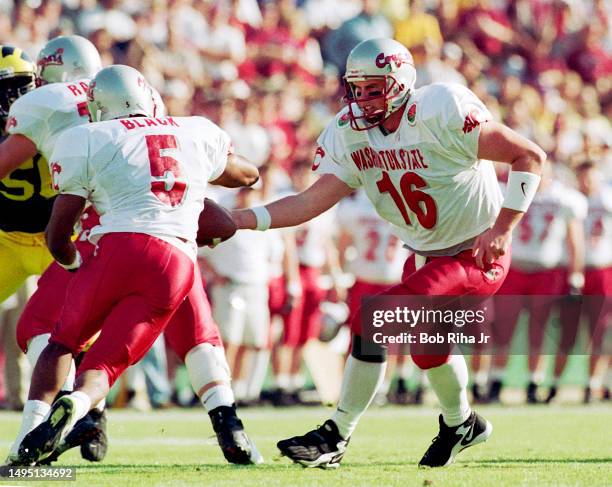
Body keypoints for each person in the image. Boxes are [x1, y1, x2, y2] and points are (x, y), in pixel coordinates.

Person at [232, 38, 546, 468]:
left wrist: (503, 227)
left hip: (475, 254)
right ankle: (462, 424)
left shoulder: (439, 109)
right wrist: (239, 221)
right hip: (421, 253)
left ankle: (336, 435)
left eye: (373, 88)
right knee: (427, 351)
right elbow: (309, 202)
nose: (362, 98)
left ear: (400, 84)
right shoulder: (348, 133)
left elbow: (528, 155)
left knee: (374, 317)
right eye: (355, 88)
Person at [13, 64, 260, 466]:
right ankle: (228, 424)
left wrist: (75, 262)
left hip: (109, 246)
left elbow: (57, 230)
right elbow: (242, 182)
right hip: (176, 257)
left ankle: (39, 429)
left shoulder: (82, 133)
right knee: (188, 337)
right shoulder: (192, 130)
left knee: (57, 337)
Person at [0, 36, 104, 465]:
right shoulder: (51, 108)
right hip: (5, 236)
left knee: (82, 330)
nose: (14, 96)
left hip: (55, 238)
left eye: (20, 85)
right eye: (5, 87)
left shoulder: (52, 111)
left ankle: (93, 414)